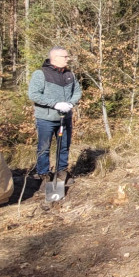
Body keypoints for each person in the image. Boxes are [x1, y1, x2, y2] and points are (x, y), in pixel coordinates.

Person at [28, 47, 82, 179]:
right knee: (44, 148)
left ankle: (61, 172)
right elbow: (34, 95)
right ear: (55, 58)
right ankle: (43, 174)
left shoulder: (70, 75)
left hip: (65, 118)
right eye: (65, 57)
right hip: (46, 118)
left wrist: (70, 103)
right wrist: (55, 104)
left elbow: (77, 92)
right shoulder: (41, 74)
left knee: (64, 146)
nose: (67, 59)